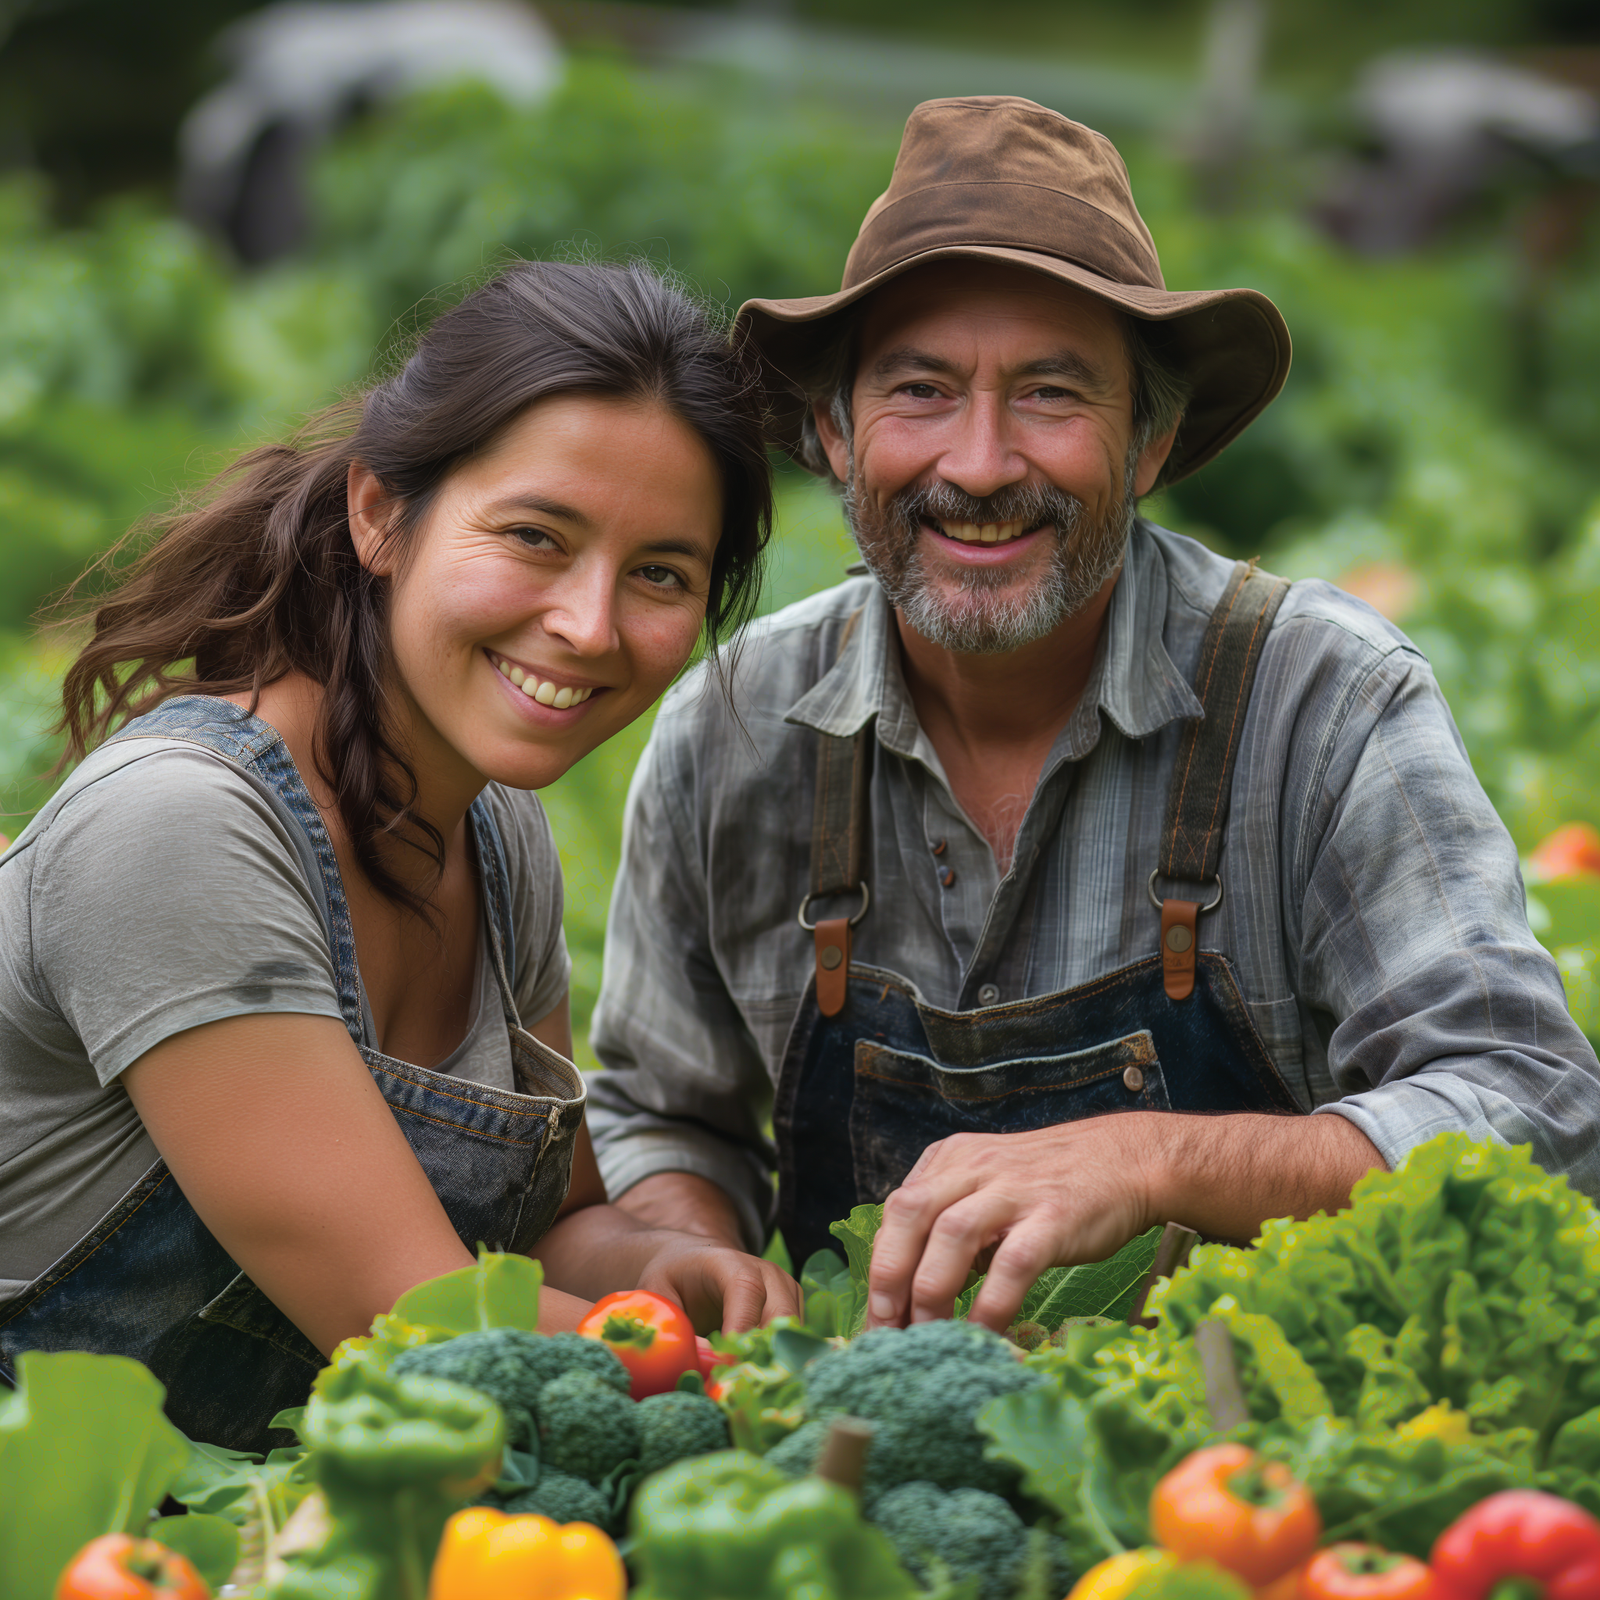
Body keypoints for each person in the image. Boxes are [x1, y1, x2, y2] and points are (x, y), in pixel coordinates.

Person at [584, 96, 1600, 1335]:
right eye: (919, 389)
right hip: (850, 1472)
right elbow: (660, 1112)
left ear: (1151, 438)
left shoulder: (1323, 699)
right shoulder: (732, 730)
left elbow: (1531, 1110)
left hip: (1252, 1471)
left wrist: (1148, 1160)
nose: (979, 463)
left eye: (1051, 395)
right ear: (837, 437)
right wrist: (699, 1261)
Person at [0, 259, 799, 1450]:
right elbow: (422, 1321)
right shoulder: (182, 830)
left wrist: (662, 1260)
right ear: (381, 513)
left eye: (660, 574)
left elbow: (537, 1238)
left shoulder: (494, 835)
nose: (588, 623)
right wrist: (780, 1394)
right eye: (535, 535)